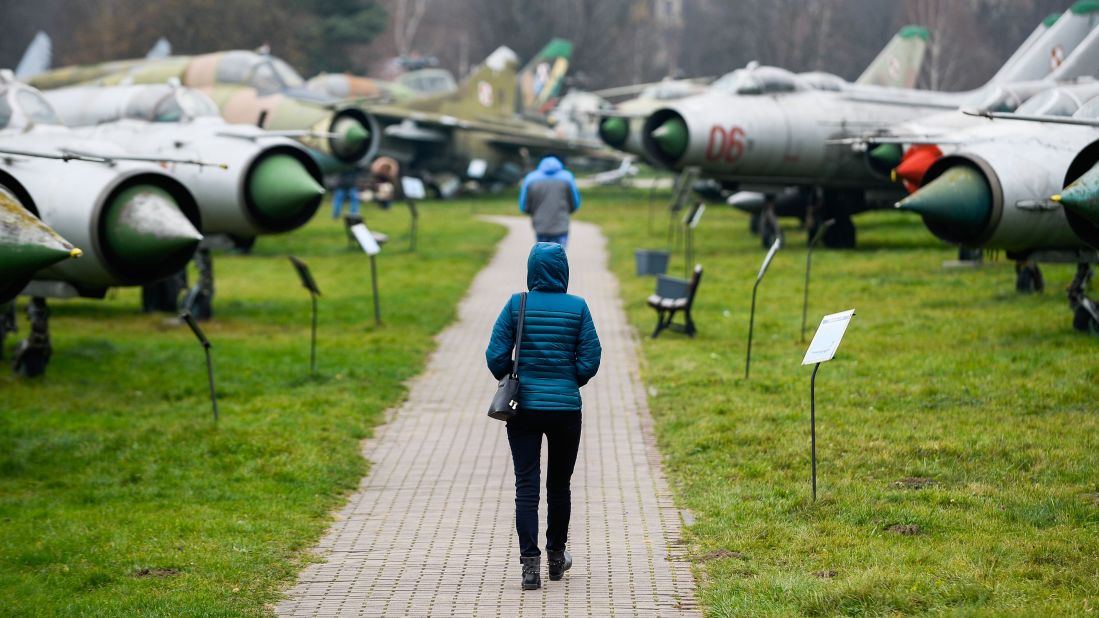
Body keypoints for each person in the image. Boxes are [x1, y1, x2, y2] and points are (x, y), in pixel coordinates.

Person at [485, 242, 601, 591]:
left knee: (526, 484)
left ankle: (529, 566)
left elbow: (495, 355)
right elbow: (591, 356)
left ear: (532, 270)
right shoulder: (578, 307)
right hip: (566, 409)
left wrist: (513, 376)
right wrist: (572, 379)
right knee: (559, 485)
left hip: (524, 410)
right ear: (563, 271)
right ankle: (556, 557)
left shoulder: (516, 304)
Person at [518, 155, 581, 249]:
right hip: (561, 224)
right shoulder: (567, 177)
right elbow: (575, 203)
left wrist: (533, 213)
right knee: (560, 255)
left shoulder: (531, 178)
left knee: (542, 256)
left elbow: (524, 206)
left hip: (540, 225)